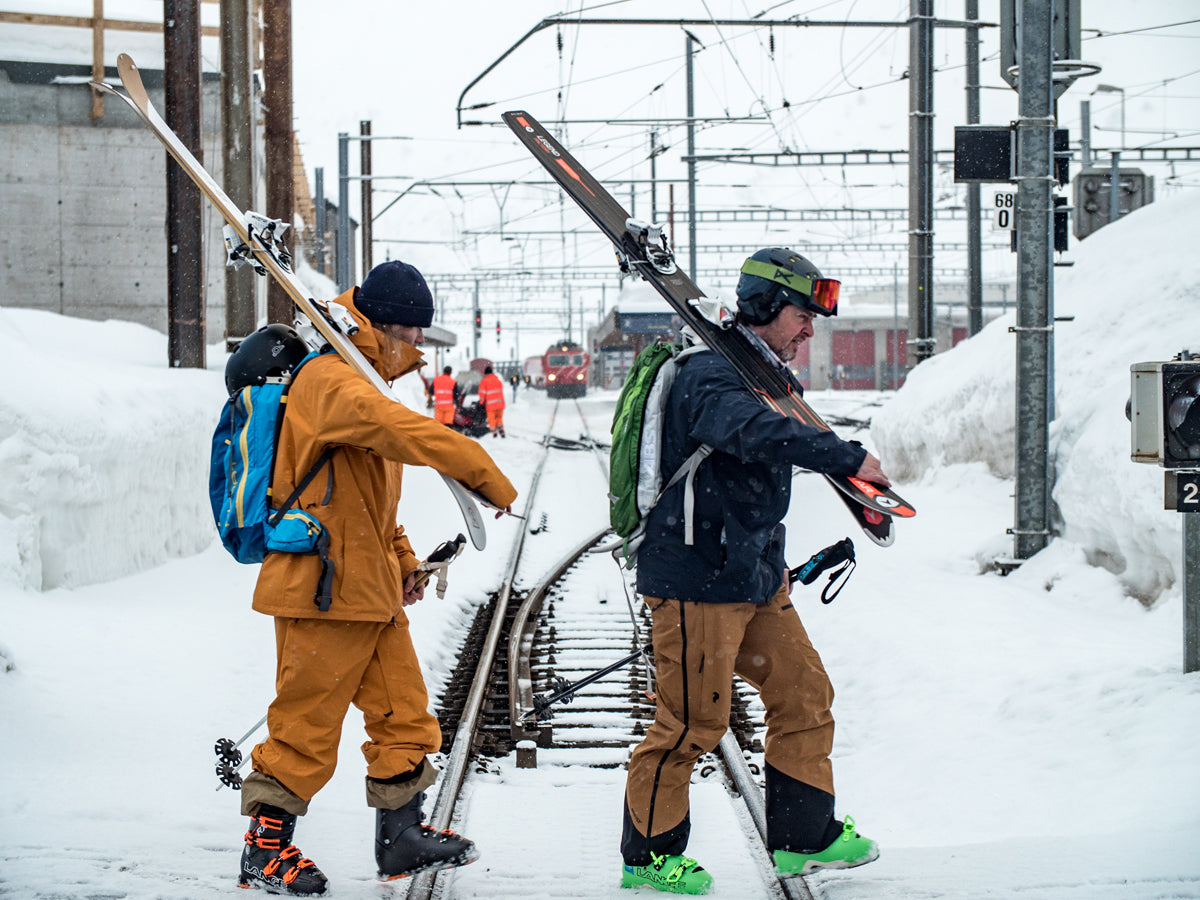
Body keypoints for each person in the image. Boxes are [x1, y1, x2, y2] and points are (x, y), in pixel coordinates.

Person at [236, 259, 518, 896]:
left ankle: (401, 838)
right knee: (305, 725)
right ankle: (264, 851)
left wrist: (405, 563)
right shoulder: (332, 383)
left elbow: (369, 509)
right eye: (415, 336)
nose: (419, 350)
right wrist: (481, 469)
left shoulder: (360, 384)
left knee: (404, 716)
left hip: (366, 592)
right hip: (321, 588)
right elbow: (402, 433)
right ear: (384, 328)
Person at [619, 248, 889, 895]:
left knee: (803, 693)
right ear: (767, 307)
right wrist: (845, 456)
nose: (809, 331)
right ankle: (649, 859)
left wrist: (773, 564)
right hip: (694, 579)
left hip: (752, 579)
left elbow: (754, 486)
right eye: (802, 315)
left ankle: (802, 837)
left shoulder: (759, 373)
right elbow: (755, 436)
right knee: (692, 723)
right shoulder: (709, 375)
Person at [477, 365, 506, 438]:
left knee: (491, 419)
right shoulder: (498, 380)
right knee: (499, 418)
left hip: (491, 405)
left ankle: (494, 433)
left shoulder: (484, 381)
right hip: (500, 404)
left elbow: (482, 393)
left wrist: (481, 403)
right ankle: (501, 429)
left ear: (486, 373)